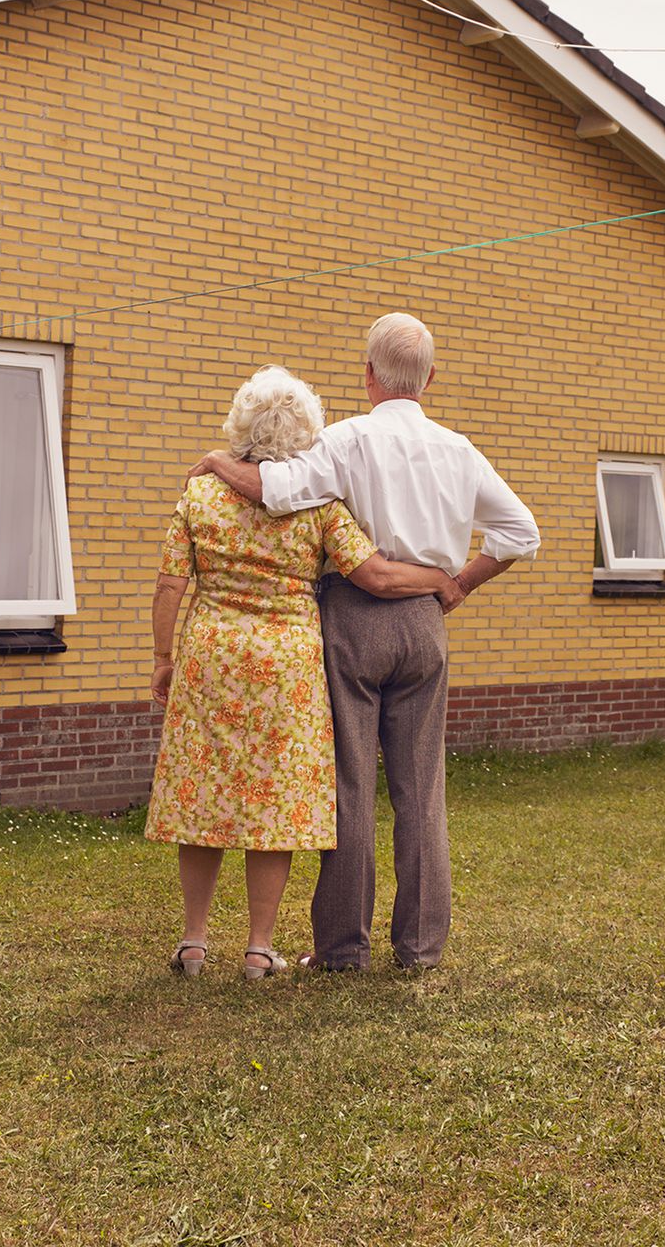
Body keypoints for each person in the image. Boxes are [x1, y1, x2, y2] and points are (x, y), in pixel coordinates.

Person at [192, 313, 540, 970]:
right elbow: (520, 533)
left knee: (348, 786)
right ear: (430, 378)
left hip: (353, 617)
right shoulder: (459, 450)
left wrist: (215, 461)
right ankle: (418, 948)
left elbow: (273, 492)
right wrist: (458, 583)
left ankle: (343, 949)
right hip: (423, 623)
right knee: (420, 788)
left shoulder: (346, 440)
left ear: (368, 375)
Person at [148, 365, 453, 981]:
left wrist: (163, 657)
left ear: (240, 423)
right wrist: (443, 580)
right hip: (288, 668)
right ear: (307, 434)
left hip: (213, 656)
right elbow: (376, 575)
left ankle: (193, 942)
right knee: (275, 803)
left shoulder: (199, 494)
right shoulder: (319, 504)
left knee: (201, 796)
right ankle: (260, 948)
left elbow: (169, 583)